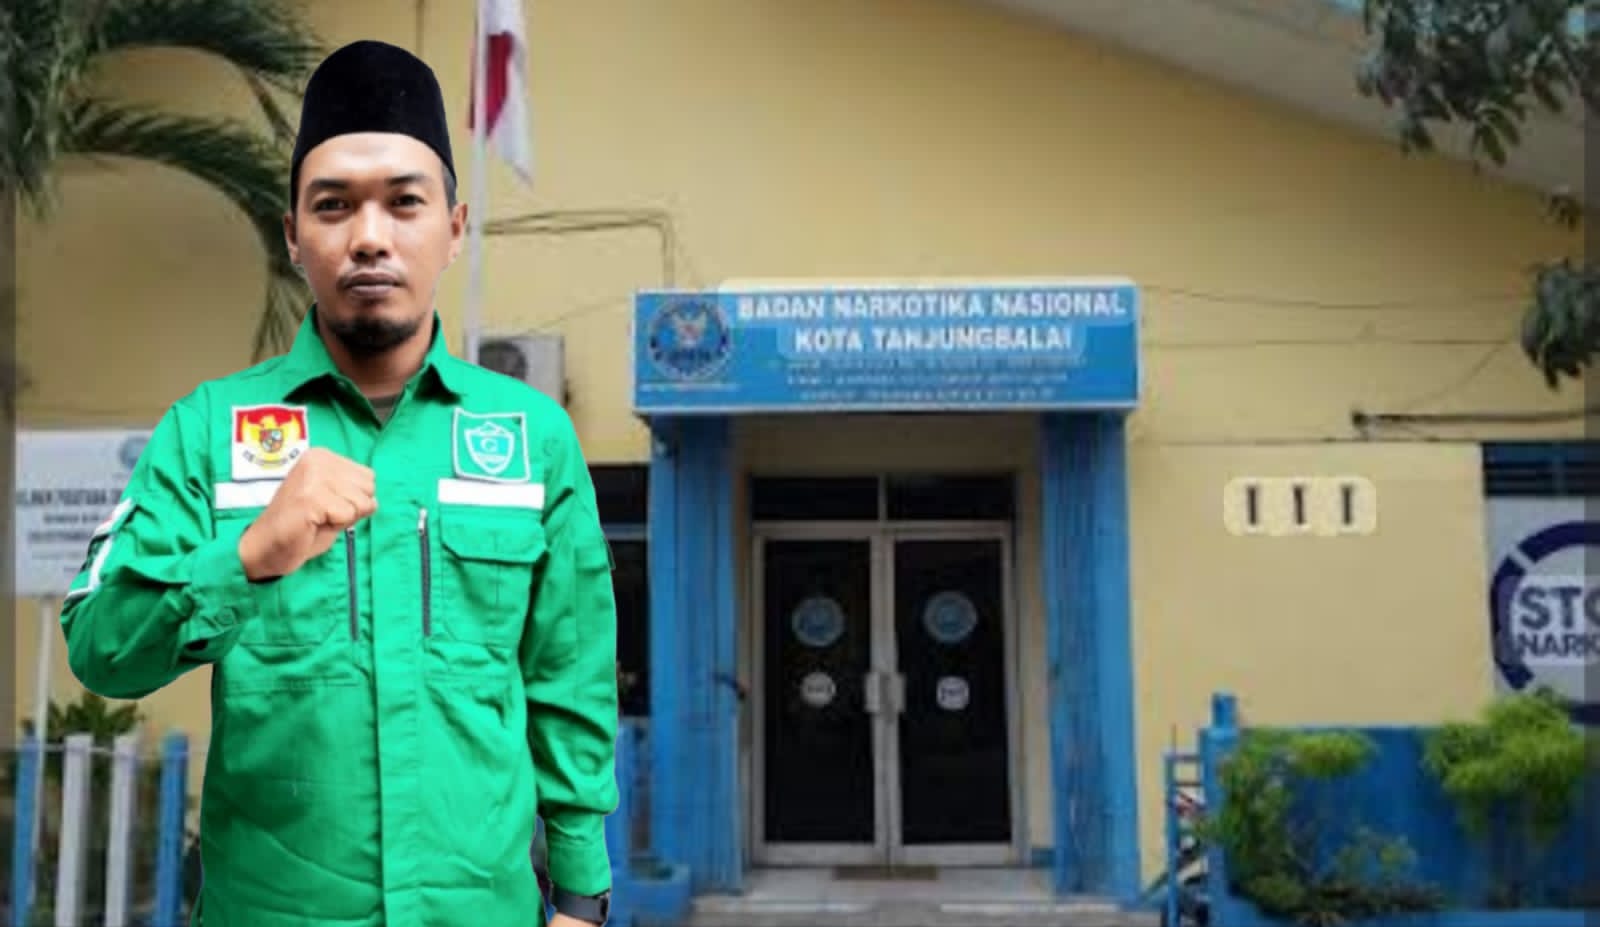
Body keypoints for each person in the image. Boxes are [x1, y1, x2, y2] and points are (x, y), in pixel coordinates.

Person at [59, 40, 618, 927]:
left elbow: (568, 679)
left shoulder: (532, 439)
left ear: (454, 228)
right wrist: (248, 555)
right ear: (294, 234)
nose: (369, 236)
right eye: (333, 205)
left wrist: (582, 898)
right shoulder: (207, 431)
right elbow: (99, 642)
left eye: (404, 202)